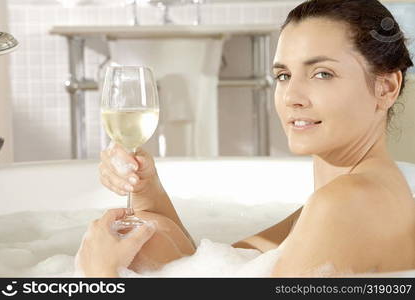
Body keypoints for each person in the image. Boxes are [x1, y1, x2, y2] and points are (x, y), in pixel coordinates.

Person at [76, 0, 415, 277]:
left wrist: (99, 278)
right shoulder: (359, 193)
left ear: (386, 88)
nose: (291, 96)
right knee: (150, 234)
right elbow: (213, 265)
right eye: (283, 75)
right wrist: (146, 189)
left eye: (321, 73)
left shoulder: (346, 203)